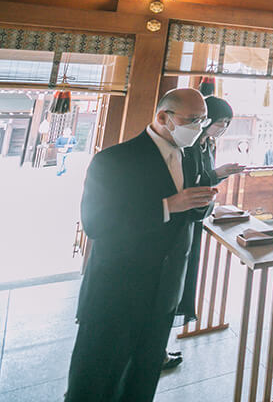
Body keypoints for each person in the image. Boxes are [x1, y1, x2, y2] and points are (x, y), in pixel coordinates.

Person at [65, 88, 219, 402]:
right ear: (163, 117)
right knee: (96, 376)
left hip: (165, 289)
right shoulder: (115, 159)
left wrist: (203, 202)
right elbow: (97, 223)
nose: (199, 127)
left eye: (203, 121)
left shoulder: (190, 156)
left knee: (144, 374)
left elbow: (190, 210)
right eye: (192, 120)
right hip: (117, 289)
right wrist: (167, 206)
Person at [166, 96, 244, 370]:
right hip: (178, 222)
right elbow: (190, 183)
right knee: (169, 286)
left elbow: (204, 179)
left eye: (227, 124)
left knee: (182, 281)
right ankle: (155, 349)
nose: (223, 128)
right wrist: (217, 173)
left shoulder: (207, 145)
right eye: (221, 122)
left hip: (196, 218)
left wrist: (218, 174)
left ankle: (160, 346)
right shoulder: (185, 147)